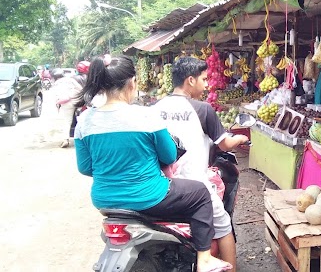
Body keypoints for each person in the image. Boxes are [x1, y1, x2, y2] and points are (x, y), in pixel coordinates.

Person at [73, 55, 231, 272]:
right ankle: (204, 258)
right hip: (150, 196)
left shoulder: (84, 121)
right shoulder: (145, 116)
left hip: (104, 200)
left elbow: (85, 167)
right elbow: (168, 156)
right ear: (132, 83)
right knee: (200, 193)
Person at [153, 57, 249, 271]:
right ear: (190, 80)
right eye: (204, 80)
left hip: (161, 187)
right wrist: (241, 139)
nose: (206, 85)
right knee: (223, 226)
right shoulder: (203, 110)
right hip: (195, 186)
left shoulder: (155, 108)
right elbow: (224, 145)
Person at [52, 65, 86, 148]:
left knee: (67, 122)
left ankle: (65, 140)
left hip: (66, 104)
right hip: (78, 101)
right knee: (83, 118)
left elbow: (56, 96)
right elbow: (81, 89)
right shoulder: (70, 79)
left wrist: (58, 104)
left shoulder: (56, 84)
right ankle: (85, 137)